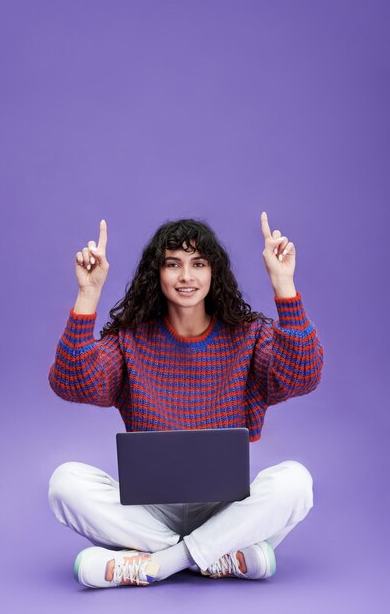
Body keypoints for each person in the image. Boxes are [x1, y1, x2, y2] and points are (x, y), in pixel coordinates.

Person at [48, 213, 324, 588]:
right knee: (64, 483)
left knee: (295, 481)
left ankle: (159, 564)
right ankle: (225, 555)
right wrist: (88, 294)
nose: (186, 277)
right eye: (173, 264)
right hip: (150, 511)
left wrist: (284, 283)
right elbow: (72, 382)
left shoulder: (248, 335)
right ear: (156, 274)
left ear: (214, 274)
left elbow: (302, 374)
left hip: (226, 506)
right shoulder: (130, 340)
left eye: (198, 264)